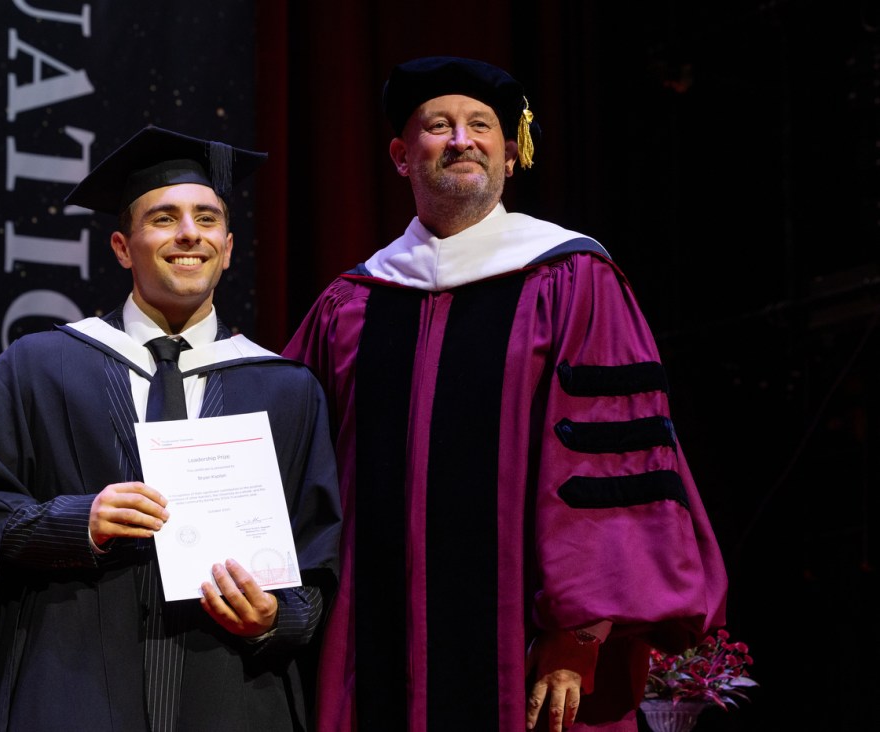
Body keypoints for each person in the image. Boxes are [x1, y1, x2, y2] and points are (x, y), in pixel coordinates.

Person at [282, 56, 729, 732]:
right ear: (402, 156)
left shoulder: (574, 279)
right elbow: (287, 460)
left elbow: (611, 469)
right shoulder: (352, 302)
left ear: (511, 154)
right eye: (439, 125)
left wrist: (580, 631)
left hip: (530, 654)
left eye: (481, 125)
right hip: (372, 651)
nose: (461, 139)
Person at [0, 125, 342, 732]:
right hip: (71, 687)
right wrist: (79, 522)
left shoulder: (286, 390)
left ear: (228, 248)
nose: (189, 233)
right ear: (123, 247)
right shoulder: (38, 369)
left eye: (206, 218)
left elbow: (319, 566)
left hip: (231, 693)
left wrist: (273, 619)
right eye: (163, 218)